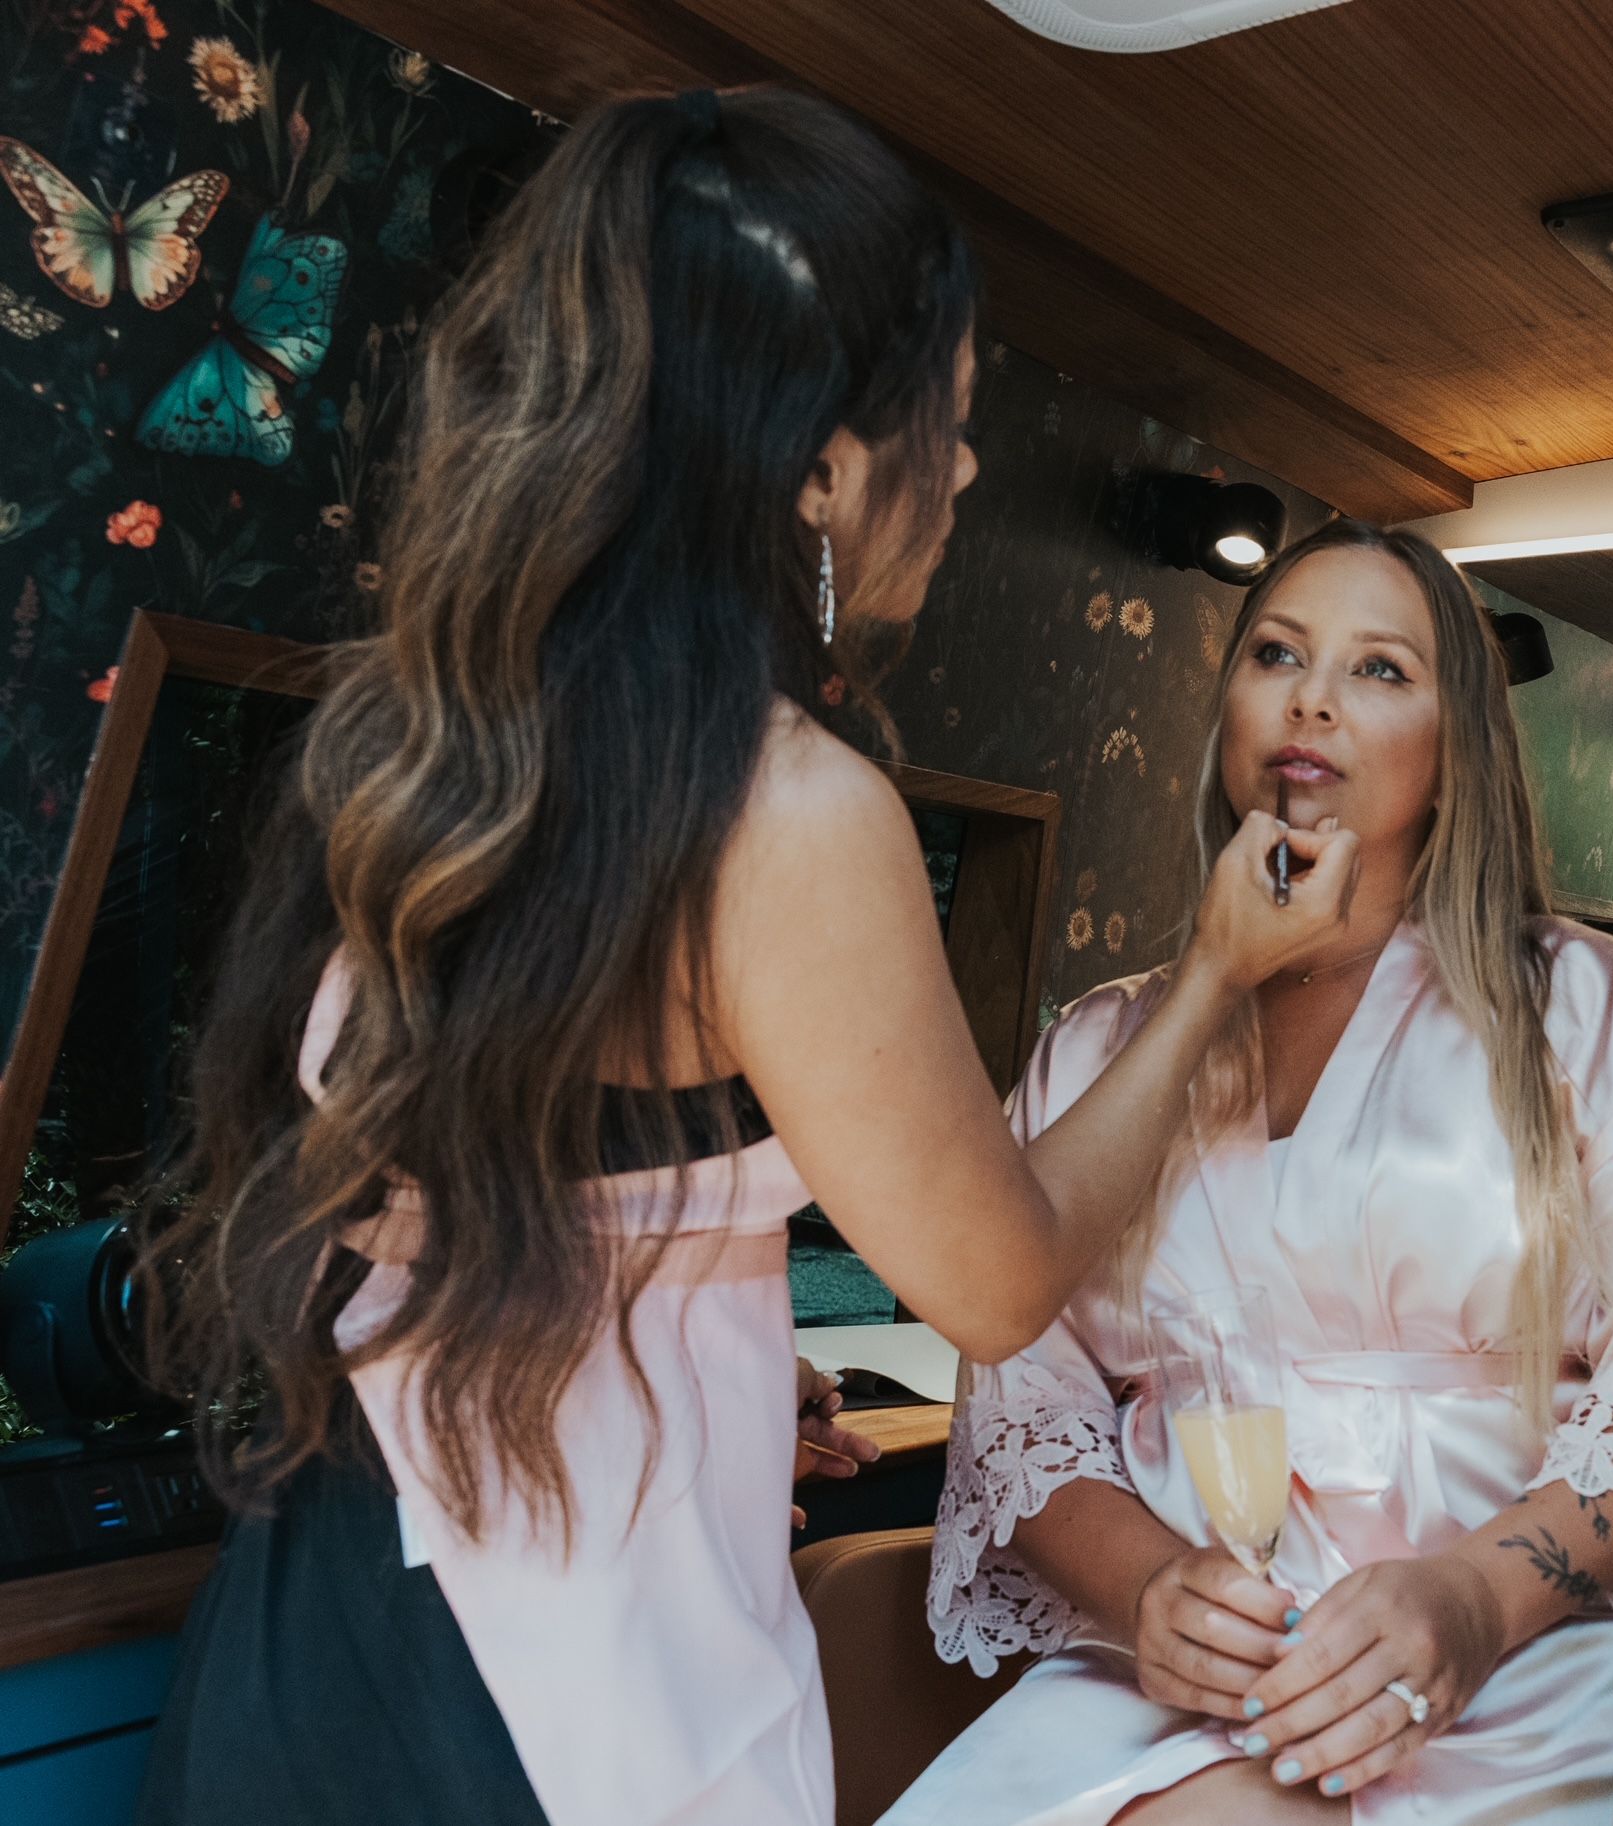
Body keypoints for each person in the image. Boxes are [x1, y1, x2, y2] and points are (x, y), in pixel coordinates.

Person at [131, 88, 1353, 1826]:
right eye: (950, 420)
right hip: (559, 1679)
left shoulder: (424, 737)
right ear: (821, 471)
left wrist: (705, 1350)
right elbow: (995, 1279)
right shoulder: (786, 806)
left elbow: (504, 1201)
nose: (972, 471)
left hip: (324, 1623)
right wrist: (1218, 977)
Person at [889, 522, 1613, 1826]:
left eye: (1379, 669)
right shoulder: (1096, 1049)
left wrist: (1472, 1598)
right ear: (1229, 712)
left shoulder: (1595, 1019)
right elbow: (1023, 1400)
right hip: (1175, 1681)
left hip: (1518, 1671)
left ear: (1456, 747)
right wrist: (1148, 1588)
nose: (1312, 695)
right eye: (1276, 652)